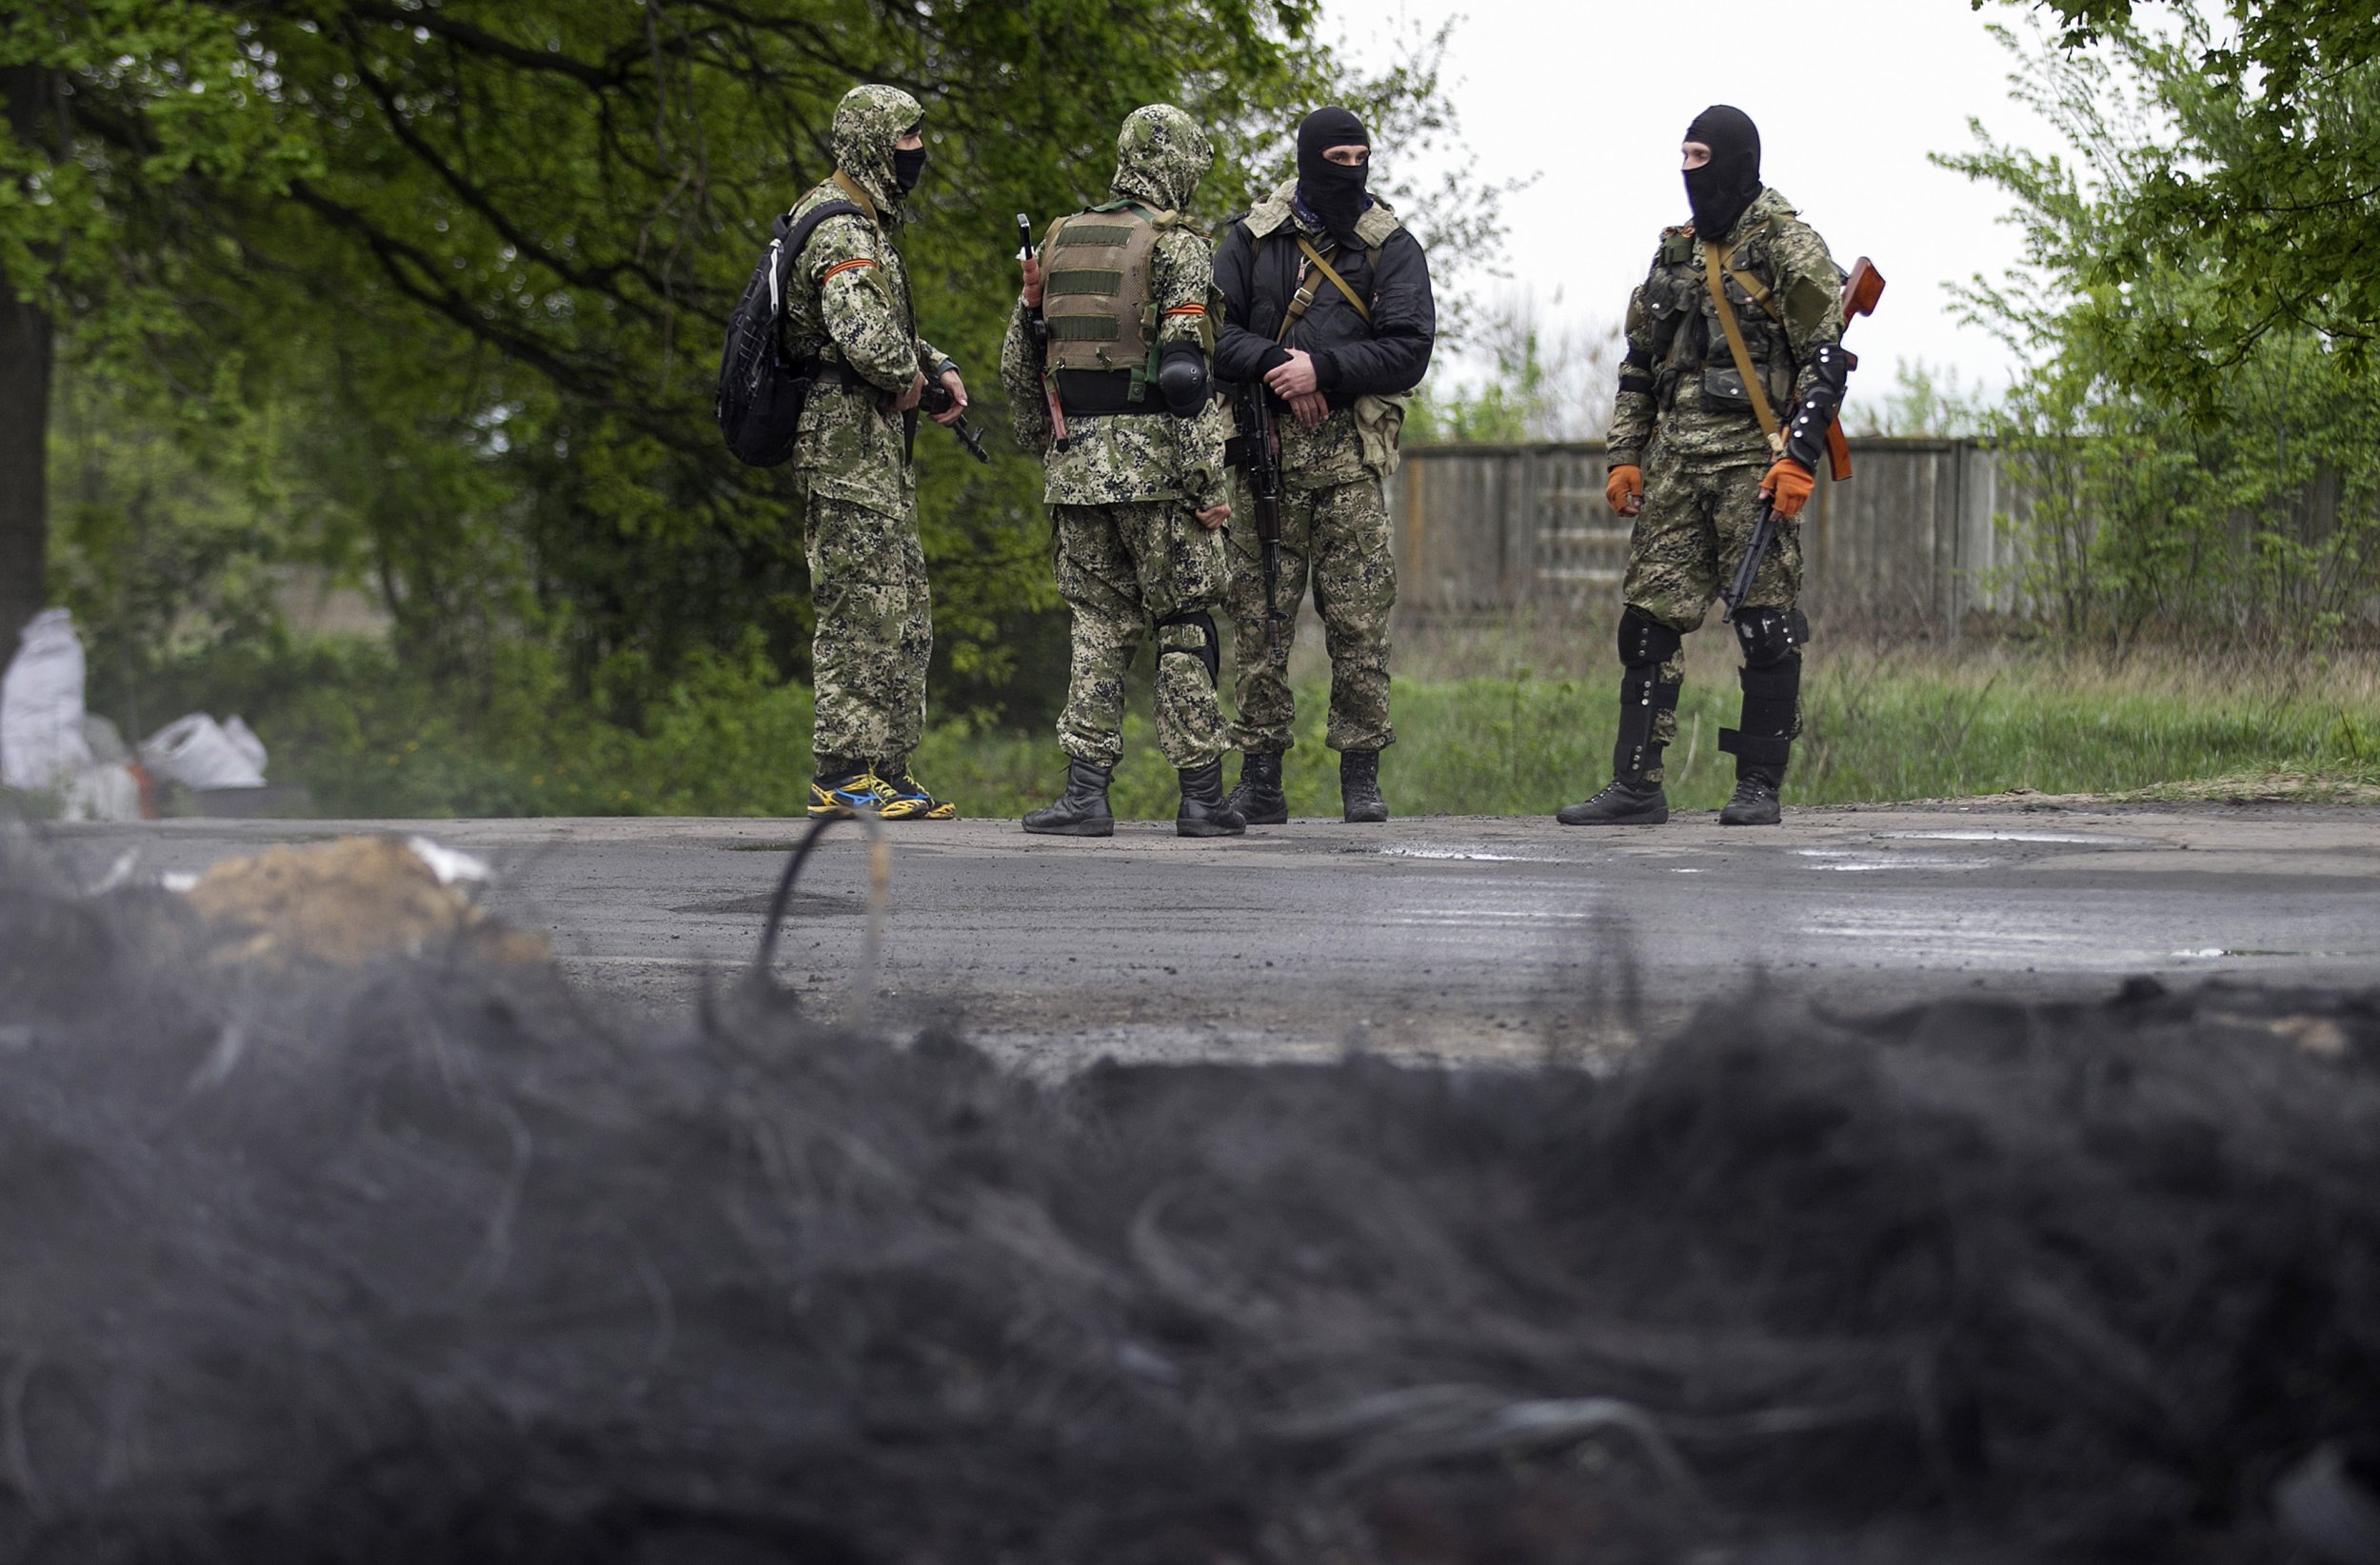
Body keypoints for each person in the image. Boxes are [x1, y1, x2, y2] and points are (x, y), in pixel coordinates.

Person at [1559, 104, 1850, 829]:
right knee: (1647, 624)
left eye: (1701, 158)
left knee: (1764, 622)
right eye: (1683, 158)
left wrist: (1800, 458)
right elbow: (1639, 364)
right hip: (1676, 464)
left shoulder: (1790, 243)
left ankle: (1758, 786)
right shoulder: (1674, 252)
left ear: (1735, 160)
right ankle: (1636, 785)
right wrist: (1625, 454)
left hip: (1755, 459)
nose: (1691, 173)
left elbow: (1826, 359)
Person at [1003, 106, 1244, 839]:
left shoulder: (1059, 237)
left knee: (1098, 626)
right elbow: (1186, 375)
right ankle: (1202, 797)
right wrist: (1209, 485)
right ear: (1177, 167)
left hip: (1076, 466)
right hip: (1159, 470)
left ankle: (1084, 796)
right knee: (1183, 621)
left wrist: (1040, 441)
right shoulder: (1178, 248)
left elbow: (1021, 355)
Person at [1211, 107, 1436, 824]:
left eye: (1359, 157)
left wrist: (1327, 372)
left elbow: (1409, 348)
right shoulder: (1250, 239)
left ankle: (1362, 778)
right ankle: (1261, 777)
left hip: (1348, 466)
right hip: (1263, 463)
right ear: (1309, 161)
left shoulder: (1390, 246)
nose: (1351, 170)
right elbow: (1211, 336)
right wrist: (1282, 365)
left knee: (1360, 625)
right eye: (1337, 157)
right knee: (1259, 623)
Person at [784, 83, 972, 821]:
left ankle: (886, 767)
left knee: (901, 607)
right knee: (857, 605)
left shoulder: (864, 224)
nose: (918, 154)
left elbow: (879, 325)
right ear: (870, 143)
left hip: (873, 448)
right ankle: (840, 773)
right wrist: (912, 380)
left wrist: (935, 364)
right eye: (906, 140)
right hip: (843, 444)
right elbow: (862, 339)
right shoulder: (837, 228)